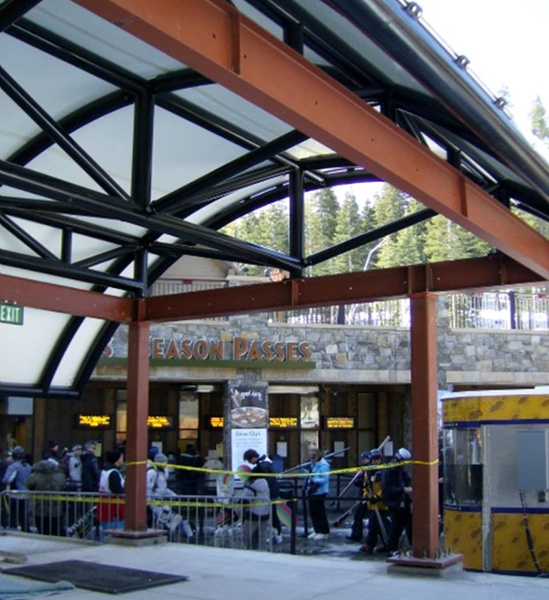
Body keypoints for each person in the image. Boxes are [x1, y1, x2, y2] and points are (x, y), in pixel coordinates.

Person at [243, 449, 283, 543]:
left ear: (252, 457)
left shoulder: (262, 464)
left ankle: (277, 535)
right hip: (271, 492)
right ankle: (276, 534)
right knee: (272, 514)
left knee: (272, 515)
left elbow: (260, 473)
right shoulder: (265, 462)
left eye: (249, 460)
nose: (249, 463)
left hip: (269, 493)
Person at [382, 447, 413, 557]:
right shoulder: (390, 471)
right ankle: (391, 549)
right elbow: (387, 488)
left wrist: (408, 488)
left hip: (402, 502)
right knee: (396, 527)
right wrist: (403, 489)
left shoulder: (399, 470)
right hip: (395, 503)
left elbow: (407, 479)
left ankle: (413, 547)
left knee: (408, 526)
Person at [359, 448, 390, 554]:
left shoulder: (384, 471)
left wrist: (377, 496)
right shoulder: (368, 471)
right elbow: (366, 485)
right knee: (374, 524)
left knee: (379, 524)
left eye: (378, 459)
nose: (376, 461)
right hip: (371, 503)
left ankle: (374, 544)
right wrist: (366, 495)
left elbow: (385, 487)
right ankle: (376, 544)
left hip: (381, 503)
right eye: (374, 459)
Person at [26, 458, 66, 536]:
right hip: (56, 507)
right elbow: (64, 487)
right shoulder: (60, 475)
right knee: (56, 528)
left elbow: (28, 485)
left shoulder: (35, 475)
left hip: (40, 507)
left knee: (42, 529)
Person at [301, 448, 330, 540]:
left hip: (320, 491)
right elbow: (308, 474)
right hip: (312, 490)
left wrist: (314, 480)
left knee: (320, 512)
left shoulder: (324, 465)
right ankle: (316, 529)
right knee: (313, 512)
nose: (311, 457)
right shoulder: (313, 464)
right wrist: (303, 468)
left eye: (312, 455)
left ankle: (324, 531)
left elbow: (325, 479)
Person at [240, 465, 271, 550]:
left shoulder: (250, 485)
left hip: (253, 513)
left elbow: (244, 500)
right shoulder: (265, 483)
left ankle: (245, 550)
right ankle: (262, 551)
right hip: (266, 512)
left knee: (246, 534)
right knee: (262, 535)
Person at [2, 446, 31, 531]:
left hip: (14, 494)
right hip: (26, 494)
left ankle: (13, 531)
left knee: (13, 515)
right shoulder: (28, 466)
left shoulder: (14, 466)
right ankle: (26, 531)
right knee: (23, 515)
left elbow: (7, 479)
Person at [346, 451, 372, 542]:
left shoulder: (369, 469)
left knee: (360, 515)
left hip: (367, 494)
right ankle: (356, 533)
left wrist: (359, 478)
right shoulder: (364, 468)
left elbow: (365, 482)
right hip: (362, 493)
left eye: (364, 459)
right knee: (358, 515)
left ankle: (357, 534)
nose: (362, 461)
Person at [98, 450, 125, 531]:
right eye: (121, 457)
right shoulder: (114, 473)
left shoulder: (104, 471)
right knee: (114, 530)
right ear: (117, 459)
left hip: (105, 505)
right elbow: (117, 490)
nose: (123, 459)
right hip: (114, 508)